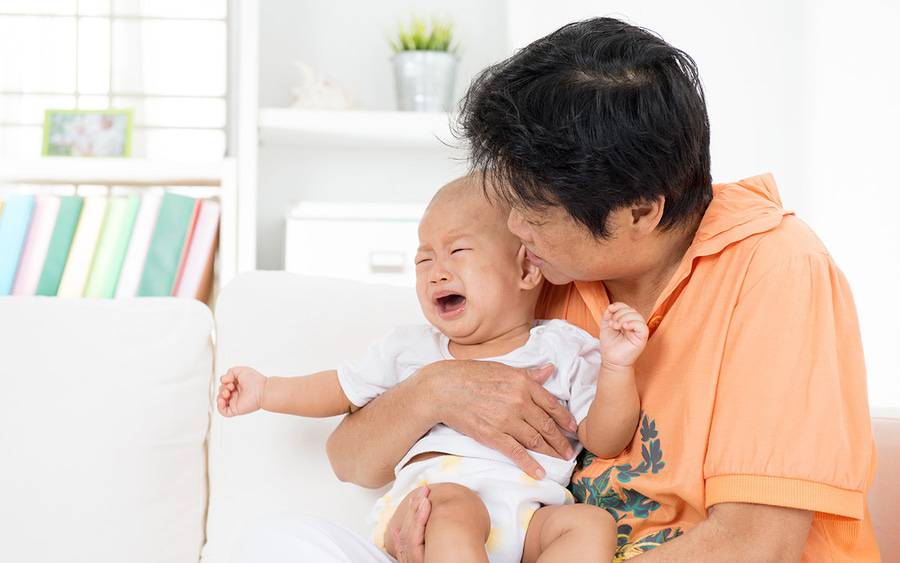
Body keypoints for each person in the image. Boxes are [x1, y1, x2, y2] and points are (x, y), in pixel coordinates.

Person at [321, 17, 879, 562]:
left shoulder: (777, 271)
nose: (513, 228)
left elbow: (754, 545)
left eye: (535, 211)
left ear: (641, 209)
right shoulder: (545, 270)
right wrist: (434, 391)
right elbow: (352, 461)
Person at [218, 177, 651, 563]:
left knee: (591, 524)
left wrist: (616, 366)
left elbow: (606, 438)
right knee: (455, 509)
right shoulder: (410, 349)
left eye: (457, 251)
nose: (436, 272)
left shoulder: (565, 346)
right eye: (423, 260)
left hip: (529, 518)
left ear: (524, 267)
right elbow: (339, 388)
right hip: (433, 511)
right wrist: (267, 391)